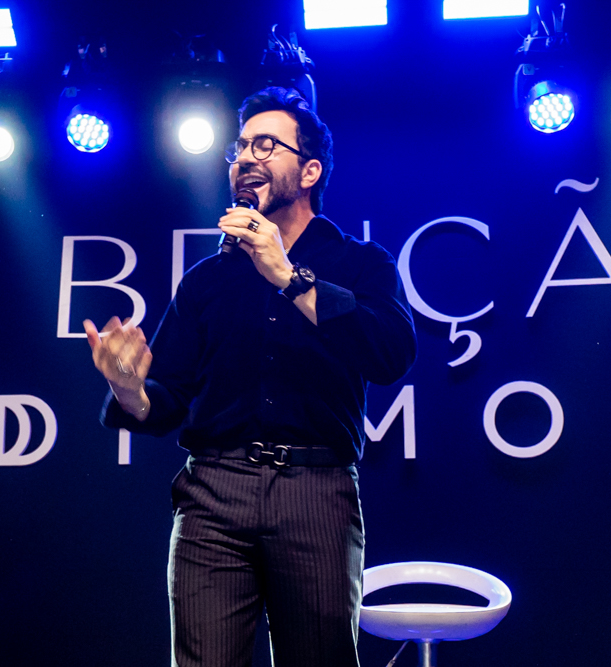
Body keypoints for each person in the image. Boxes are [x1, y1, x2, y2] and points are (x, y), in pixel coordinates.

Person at [82, 87, 417, 667]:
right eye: (239, 147)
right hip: (214, 491)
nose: (246, 157)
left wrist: (288, 276)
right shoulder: (207, 281)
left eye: (267, 144)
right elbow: (170, 398)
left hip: (316, 488)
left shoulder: (362, 262)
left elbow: (390, 353)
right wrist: (127, 386)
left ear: (309, 170)